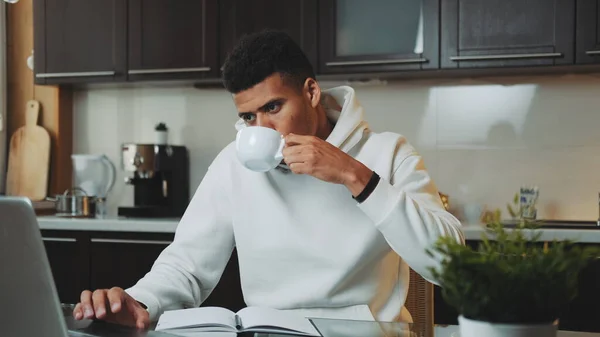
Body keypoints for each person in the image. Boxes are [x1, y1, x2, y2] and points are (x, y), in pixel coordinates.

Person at [72, 30, 464, 329]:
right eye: (248, 117)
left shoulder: (387, 153)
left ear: (310, 92)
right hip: (268, 332)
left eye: (273, 107)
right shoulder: (234, 163)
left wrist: (353, 175)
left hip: (362, 333)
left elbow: (451, 264)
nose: (261, 128)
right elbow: (187, 265)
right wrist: (138, 303)